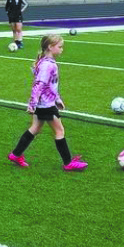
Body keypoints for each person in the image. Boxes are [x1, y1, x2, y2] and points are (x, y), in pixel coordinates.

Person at [8, 34, 87, 171]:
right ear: (50, 47)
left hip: (45, 103)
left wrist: (57, 99)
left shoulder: (47, 62)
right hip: (45, 105)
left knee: (35, 128)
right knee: (59, 130)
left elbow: (50, 85)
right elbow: (39, 85)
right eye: (60, 47)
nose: (62, 49)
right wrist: (32, 104)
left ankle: (15, 154)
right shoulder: (47, 65)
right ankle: (68, 163)